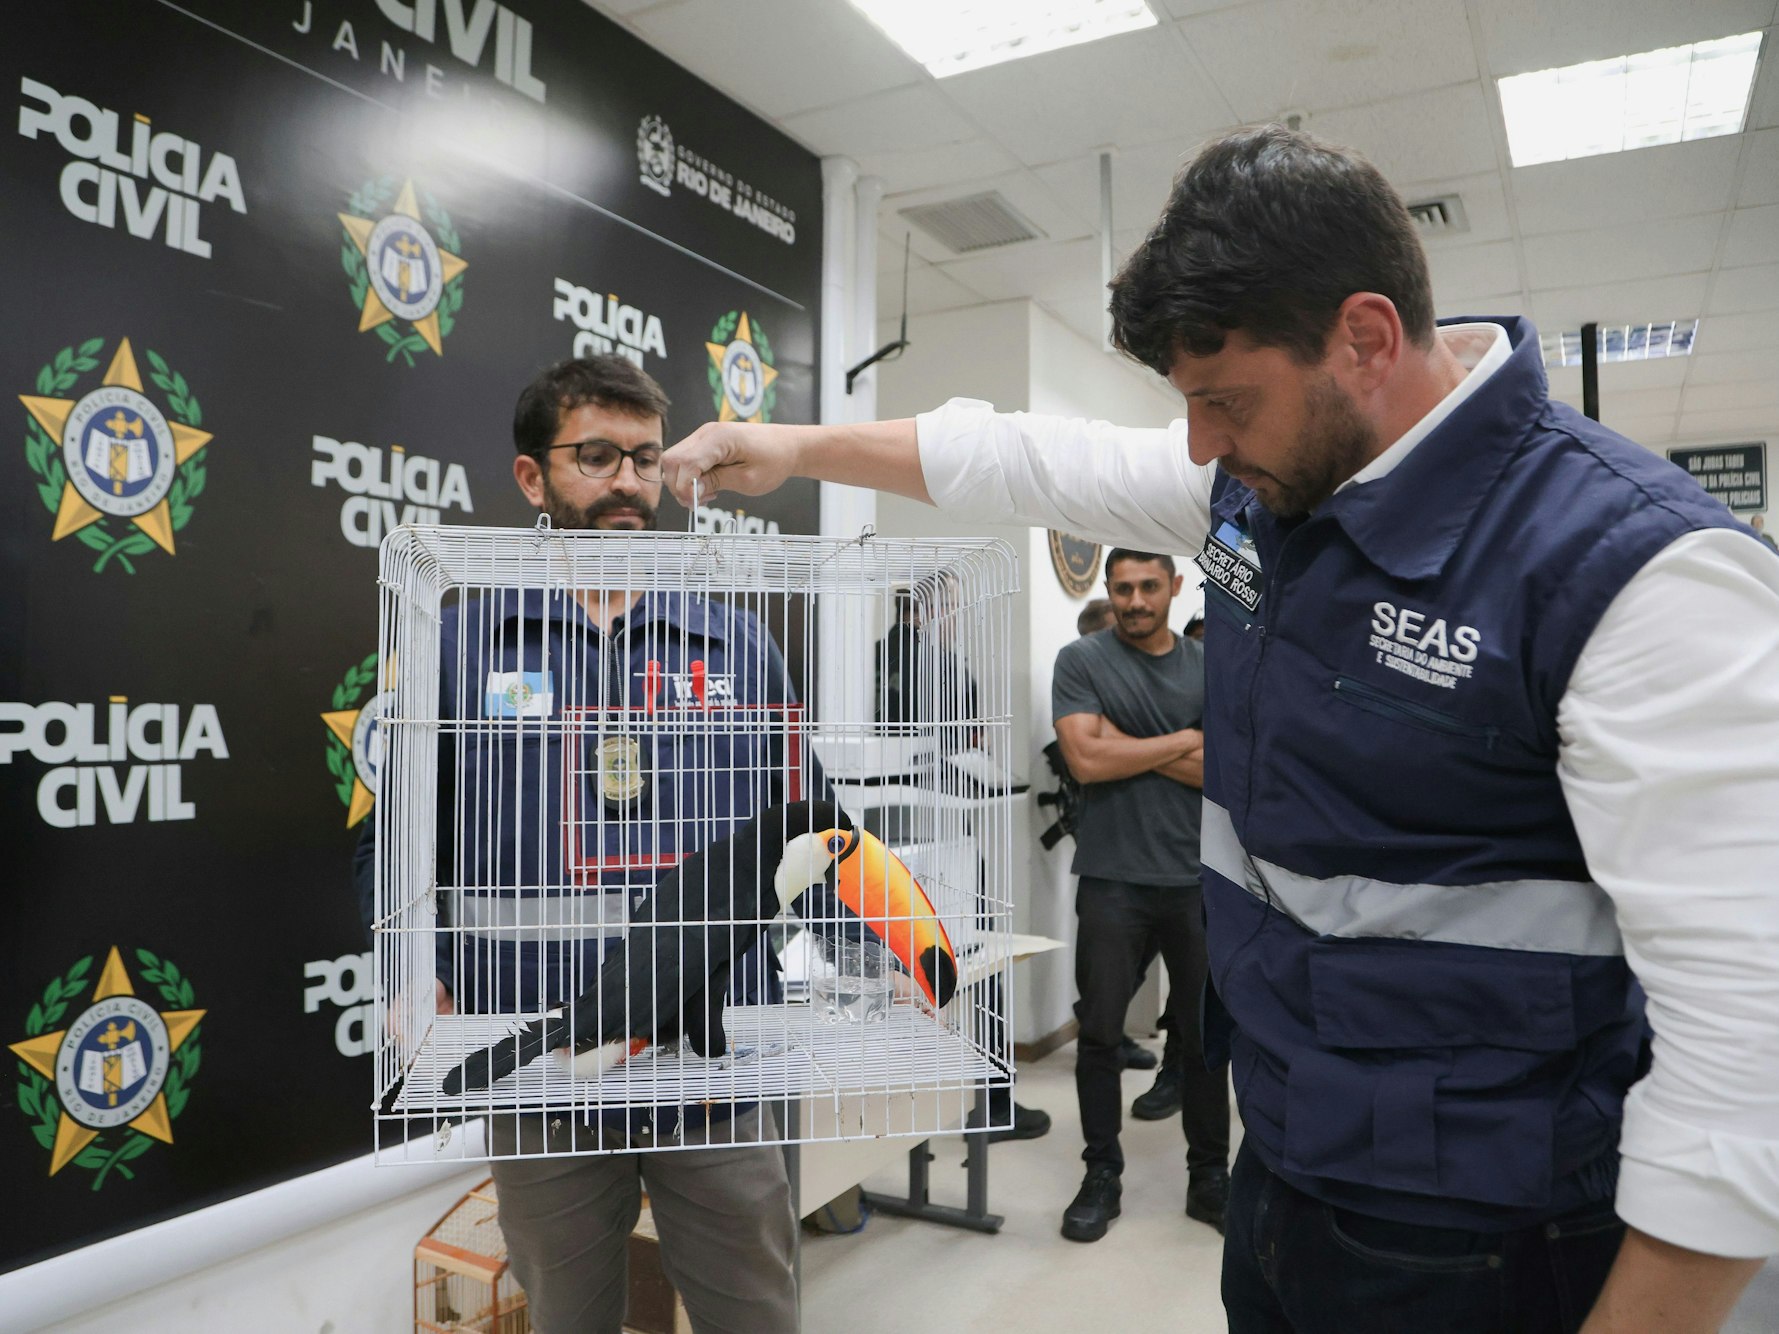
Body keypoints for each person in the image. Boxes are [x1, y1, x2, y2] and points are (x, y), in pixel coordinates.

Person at [661, 126, 1779, 1333]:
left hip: (1490, 1230)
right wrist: (789, 446)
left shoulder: (1638, 576)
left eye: (1224, 401)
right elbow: (1030, 456)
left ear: (1365, 337)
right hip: (1285, 1165)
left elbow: (1748, 1047)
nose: (1198, 441)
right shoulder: (1259, 486)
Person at [357, 355, 799, 1333]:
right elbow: (391, 840)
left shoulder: (735, 644)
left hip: (713, 1056)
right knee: (570, 1312)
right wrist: (406, 966)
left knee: (755, 1308)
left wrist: (869, 957)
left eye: (645, 457)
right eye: (596, 455)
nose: (628, 481)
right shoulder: (459, 646)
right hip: (540, 1058)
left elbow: (802, 827)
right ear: (532, 478)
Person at [1052, 549, 1230, 1242]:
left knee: (1206, 1041)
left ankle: (1209, 1175)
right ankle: (1101, 1172)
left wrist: (1126, 740)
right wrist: (1186, 737)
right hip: (1110, 879)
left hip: (1195, 879)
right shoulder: (1081, 662)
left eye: (1148, 587)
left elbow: (1224, 773)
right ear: (1108, 590)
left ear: (1173, 587)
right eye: (1121, 588)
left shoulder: (1207, 667)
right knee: (1098, 1036)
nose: (1133, 600)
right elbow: (1085, 761)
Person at [874, 574, 1054, 1144]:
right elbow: (973, 747)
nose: (958, 617)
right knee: (978, 961)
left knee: (897, 974)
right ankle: (994, 1101)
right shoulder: (949, 670)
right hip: (947, 838)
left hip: (883, 848)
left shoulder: (870, 662)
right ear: (929, 611)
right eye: (953, 607)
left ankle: (907, 1111)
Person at [1074, 595, 1168, 1082]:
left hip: (1165, 851)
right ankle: (1102, 1035)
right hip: (1110, 854)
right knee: (1107, 970)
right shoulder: (1083, 685)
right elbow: (1089, 759)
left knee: (1143, 955)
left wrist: (1138, 746)